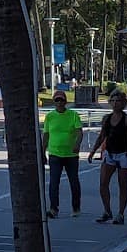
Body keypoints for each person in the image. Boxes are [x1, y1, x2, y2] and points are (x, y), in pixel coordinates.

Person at [91, 91, 127, 226]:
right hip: (109, 154)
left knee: (123, 185)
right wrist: (93, 151)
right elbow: (102, 136)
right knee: (103, 183)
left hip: (124, 154)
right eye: (113, 101)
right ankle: (107, 211)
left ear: (124, 103)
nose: (116, 104)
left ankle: (120, 213)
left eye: (119, 101)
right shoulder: (107, 118)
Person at [42, 90, 83, 219]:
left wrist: (77, 144)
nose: (59, 103)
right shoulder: (50, 116)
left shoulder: (73, 115)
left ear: (65, 101)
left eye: (62, 100)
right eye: (57, 100)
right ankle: (54, 208)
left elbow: (79, 132)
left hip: (71, 155)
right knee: (54, 182)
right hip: (55, 154)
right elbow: (46, 135)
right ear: (54, 102)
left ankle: (76, 207)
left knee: (74, 181)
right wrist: (42, 151)